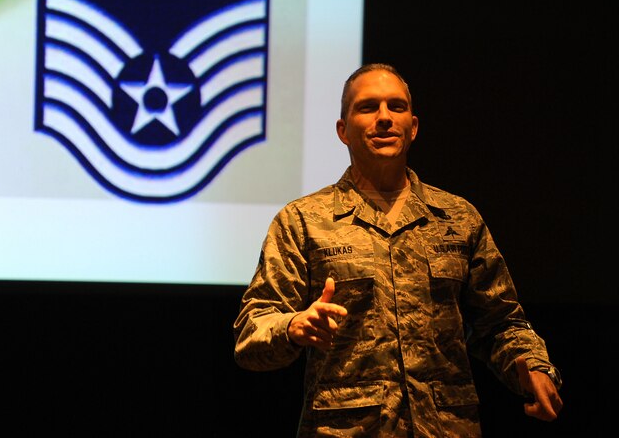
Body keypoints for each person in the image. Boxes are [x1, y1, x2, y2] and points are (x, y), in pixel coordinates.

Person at [233, 63, 563, 437]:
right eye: (368, 107)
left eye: (397, 107)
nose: (385, 118)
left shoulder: (457, 217)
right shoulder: (303, 221)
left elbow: (501, 322)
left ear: (414, 126)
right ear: (343, 131)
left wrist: (532, 364)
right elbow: (251, 334)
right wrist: (293, 326)